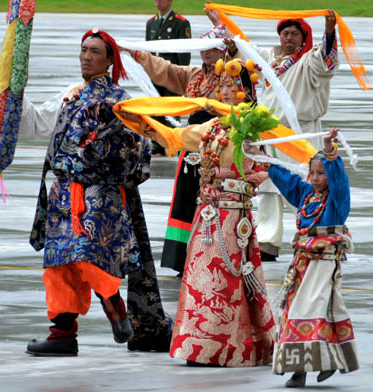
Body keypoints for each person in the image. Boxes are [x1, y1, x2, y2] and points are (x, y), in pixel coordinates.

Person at [117, 59, 278, 366]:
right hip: (205, 215)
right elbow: (174, 138)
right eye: (224, 86)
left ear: (247, 90)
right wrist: (138, 121)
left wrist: (248, 164)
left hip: (232, 217)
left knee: (226, 281)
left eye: (234, 86)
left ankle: (228, 348)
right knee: (200, 279)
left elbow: (264, 169)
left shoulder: (256, 126)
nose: (227, 91)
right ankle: (199, 346)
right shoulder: (212, 127)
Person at [25, 29, 172, 356]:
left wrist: (93, 165)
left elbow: (138, 152)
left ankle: (115, 305)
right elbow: (38, 124)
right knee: (58, 263)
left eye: (94, 52)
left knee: (91, 257)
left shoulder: (122, 102)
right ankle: (62, 333)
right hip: (63, 193)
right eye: (83, 50)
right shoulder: (73, 95)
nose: (86, 57)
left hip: (98, 196)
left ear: (109, 60)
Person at [207, 5, 340, 262]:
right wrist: (219, 21)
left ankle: (314, 231)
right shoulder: (269, 58)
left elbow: (327, 62)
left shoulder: (309, 60)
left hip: (299, 132)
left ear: (303, 38)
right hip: (268, 133)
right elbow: (242, 47)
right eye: (285, 33)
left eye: (294, 34)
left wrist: (329, 31)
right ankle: (267, 242)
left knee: (302, 182)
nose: (289, 38)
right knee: (268, 186)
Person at [259, 128, 358, 387]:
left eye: (320, 173)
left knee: (313, 311)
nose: (314, 178)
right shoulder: (305, 195)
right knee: (294, 313)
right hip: (301, 265)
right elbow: (286, 180)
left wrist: (329, 151)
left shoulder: (337, 201)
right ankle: (301, 369)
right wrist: (262, 156)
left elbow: (339, 179)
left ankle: (320, 363)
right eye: (312, 173)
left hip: (323, 266)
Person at [128, 24, 227, 275]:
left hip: (218, 145)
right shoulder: (194, 75)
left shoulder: (231, 75)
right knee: (184, 199)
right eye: (203, 48)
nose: (206, 53)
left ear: (224, 51)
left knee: (212, 198)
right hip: (191, 145)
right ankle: (182, 259)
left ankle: (213, 254)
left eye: (212, 48)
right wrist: (138, 54)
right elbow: (167, 72)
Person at [146, 0, 192, 97]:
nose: (158, 2)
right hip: (155, 73)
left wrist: (182, 76)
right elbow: (148, 50)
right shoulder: (151, 23)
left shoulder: (180, 23)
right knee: (154, 107)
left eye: (161, 0)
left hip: (171, 74)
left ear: (170, 1)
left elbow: (184, 53)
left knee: (171, 106)